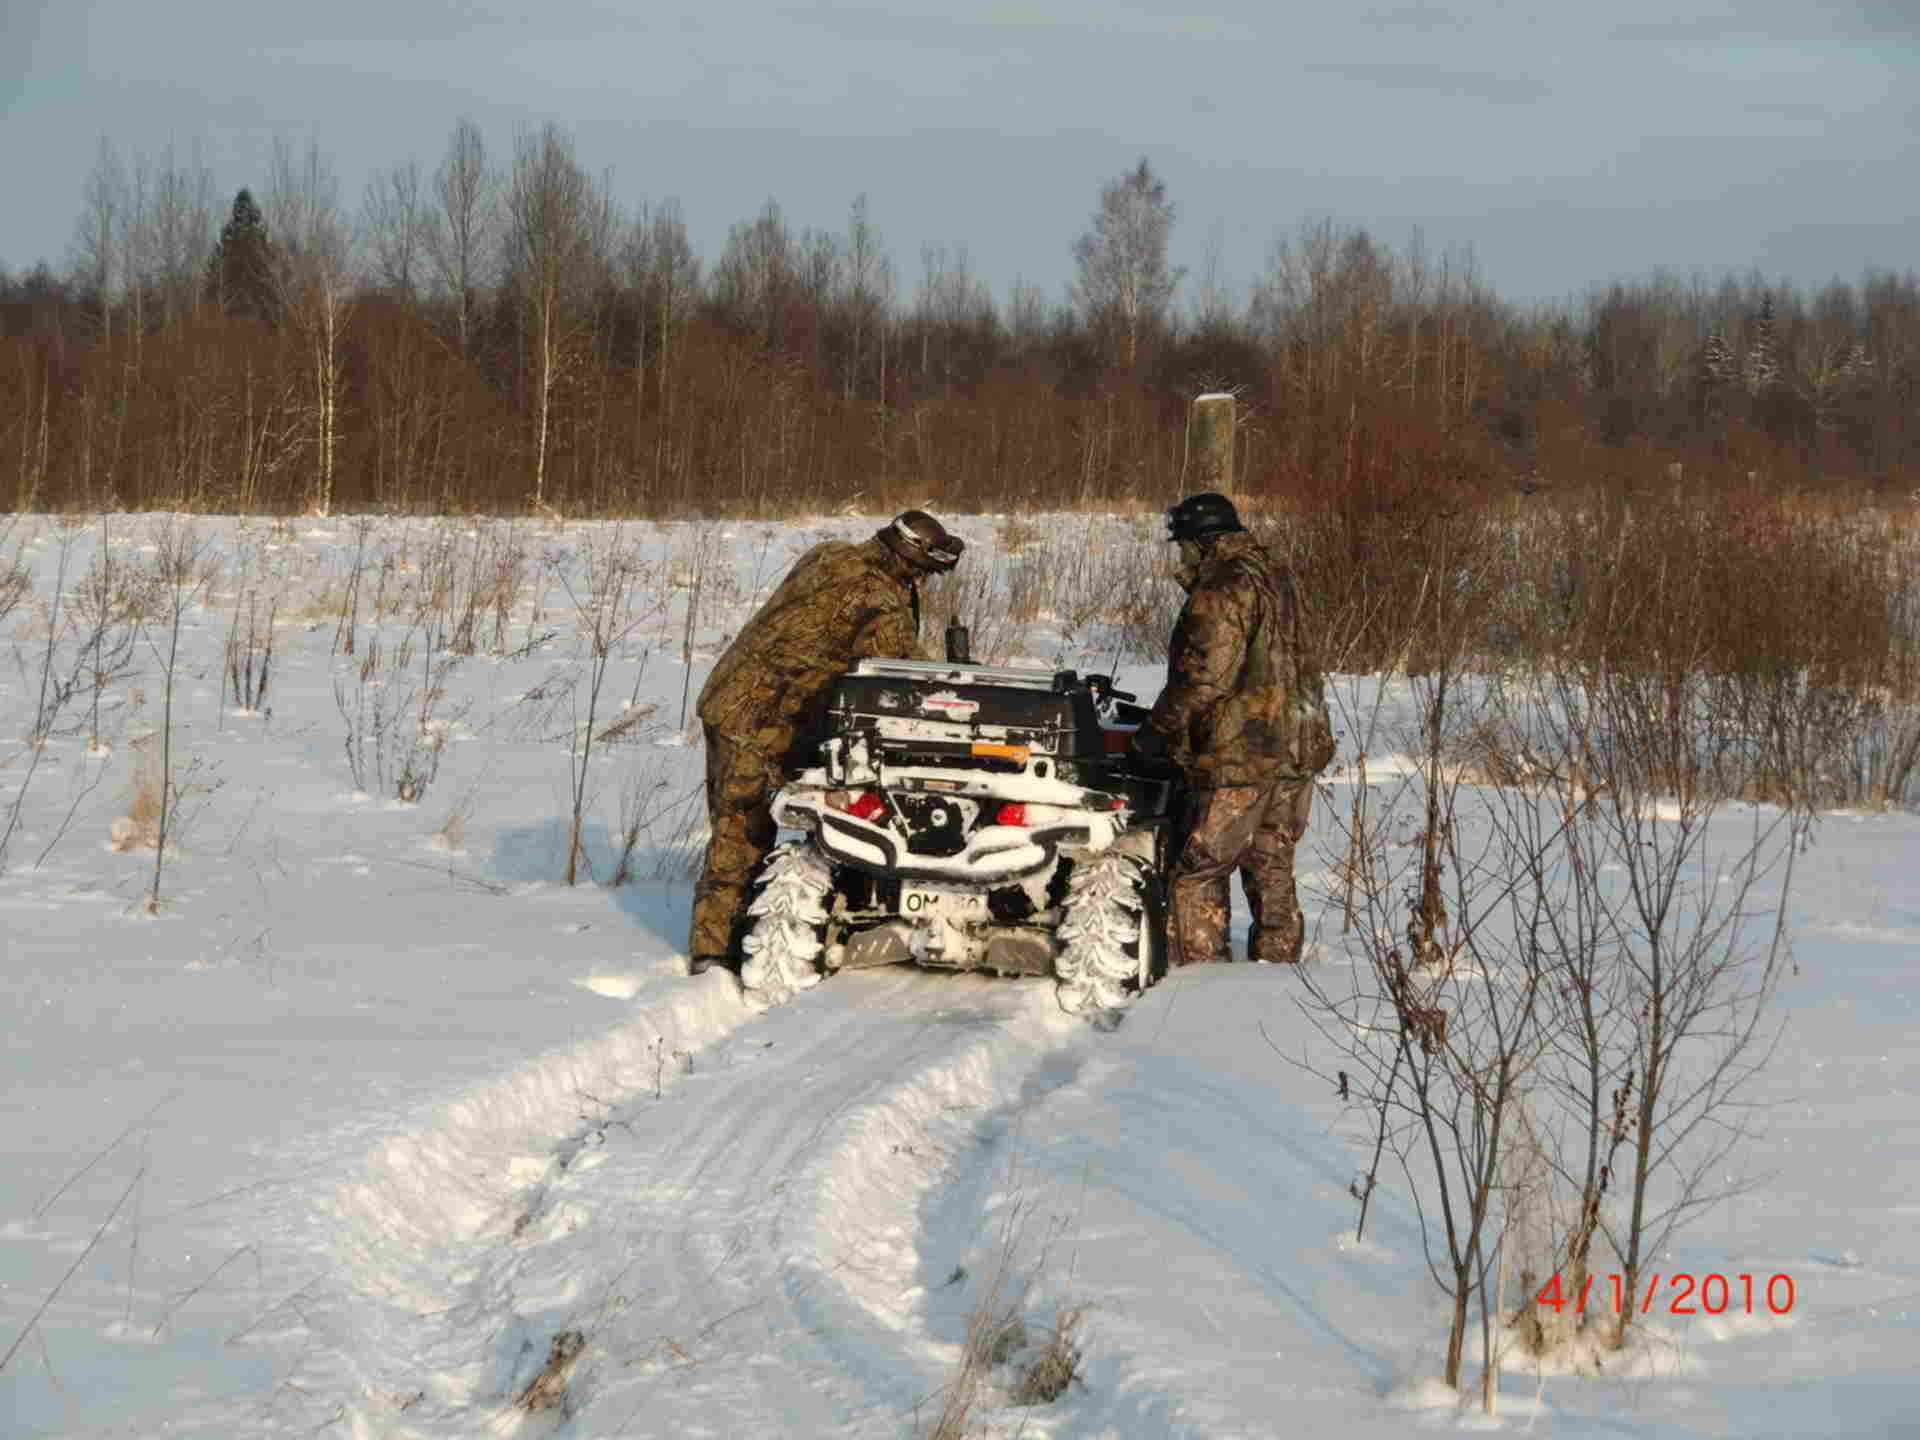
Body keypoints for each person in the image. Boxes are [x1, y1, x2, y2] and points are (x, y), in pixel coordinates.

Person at [687, 510, 965, 975]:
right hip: (758, 719)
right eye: (924, 571)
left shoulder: (829, 554)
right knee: (742, 834)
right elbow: (909, 674)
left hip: (725, 696)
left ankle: (726, 936)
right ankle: (714, 953)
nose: (925, 581)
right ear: (910, 562)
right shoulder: (880, 601)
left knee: (730, 824)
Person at [1131, 492, 1335, 967]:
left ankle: (1202, 988)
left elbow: (1203, 679)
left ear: (1203, 543)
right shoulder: (1278, 576)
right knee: (1272, 866)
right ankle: (1281, 977)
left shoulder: (1222, 588)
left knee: (1199, 870)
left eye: (1183, 545)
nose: (1180, 556)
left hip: (1240, 757)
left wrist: (1152, 736)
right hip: (1294, 751)